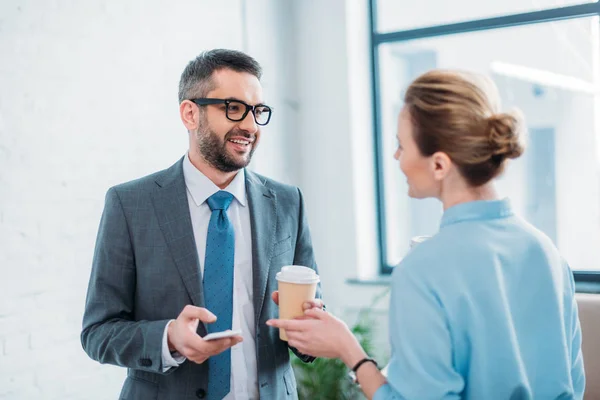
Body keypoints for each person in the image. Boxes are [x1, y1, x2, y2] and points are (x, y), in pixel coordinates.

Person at [267, 70, 585, 400]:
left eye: (401, 146)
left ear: (439, 165)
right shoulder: (547, 252)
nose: (397, 158)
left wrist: (351, 352)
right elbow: (572, 387)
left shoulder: (423, 269)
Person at [81, 49, 322, 400]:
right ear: (190, 113)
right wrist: (167, 339)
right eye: (234, 108)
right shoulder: (130, 204)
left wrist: (309, 330)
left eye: (258, 111)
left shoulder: (288, 202)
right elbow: (98, 332)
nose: (251, 126)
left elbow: (312, 306)